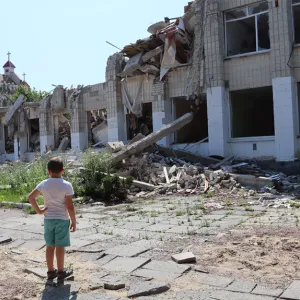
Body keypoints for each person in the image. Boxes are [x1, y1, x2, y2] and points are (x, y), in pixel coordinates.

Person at [28, 157, 76, 281]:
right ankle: (60, 272)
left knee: (50, 246)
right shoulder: (67, 185)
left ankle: (50, 272)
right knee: (60, 246)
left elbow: (31, 197)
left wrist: (39, 211)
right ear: (63, 170)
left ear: (48, 171)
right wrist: (74, 221)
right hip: (62, 219)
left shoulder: (44, 184)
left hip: (48, 219)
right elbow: (70, 206)